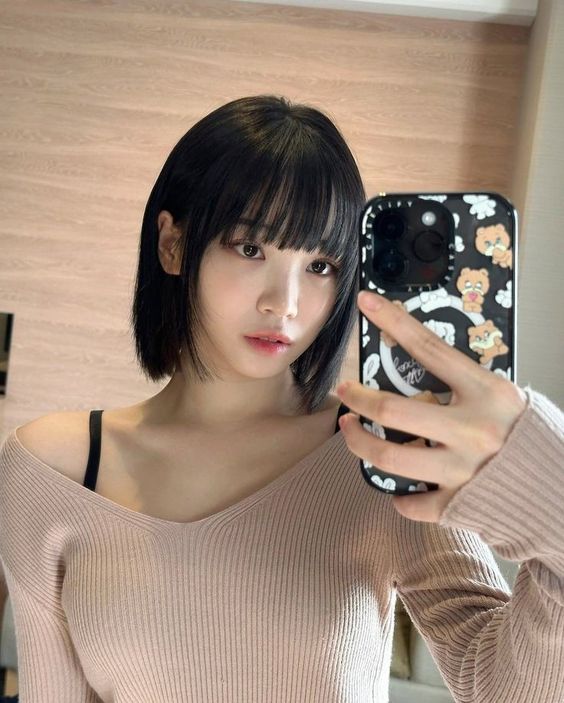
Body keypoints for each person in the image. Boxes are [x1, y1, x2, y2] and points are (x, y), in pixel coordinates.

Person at [0, 95, 562, 703]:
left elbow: (508, 692)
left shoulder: (378, 454)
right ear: (172, 245)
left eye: (320, 266)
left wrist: (547, 487)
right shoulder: (52, 472)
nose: (285, 304)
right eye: (251, 249)